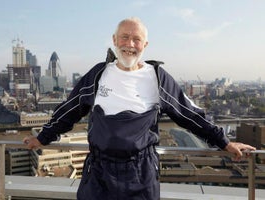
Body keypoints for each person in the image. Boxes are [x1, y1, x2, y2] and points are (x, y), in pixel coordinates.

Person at [23, 17, 256, 200]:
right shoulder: (98, 75)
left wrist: (225, 142)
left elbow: (189, 114)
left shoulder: (157, 78)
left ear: (145, 45)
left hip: (141, 173)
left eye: (136, 39)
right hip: (98, 172)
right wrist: (43, 137)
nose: (130, 44)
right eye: (124, 37)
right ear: (114, 40)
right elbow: (69, 110)